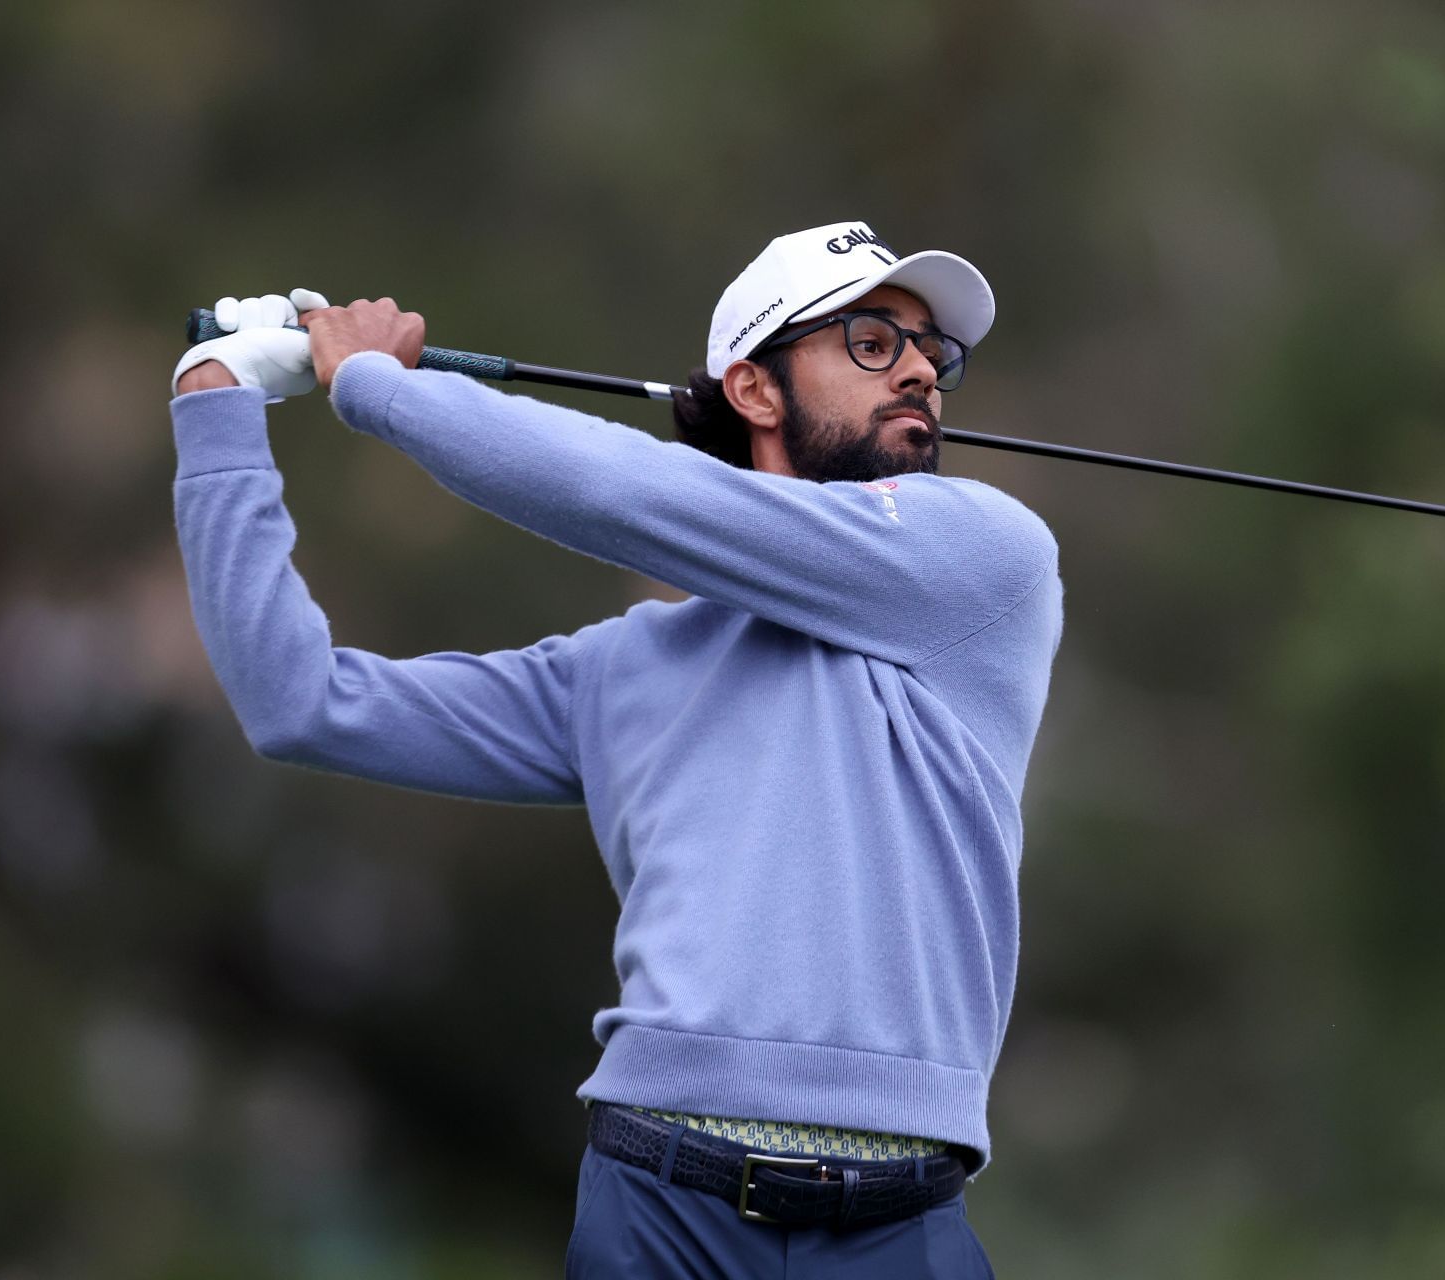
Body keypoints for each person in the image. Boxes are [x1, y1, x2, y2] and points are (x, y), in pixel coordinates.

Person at [168, 221, 1062, 1278]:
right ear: (756, 389)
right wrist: (215, 406)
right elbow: (299, 702)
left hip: (901, 1229)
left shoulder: (986, 565)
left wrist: (379, 385)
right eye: (872, 340)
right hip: (660, 1209)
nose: (920, 368)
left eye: (932, 354)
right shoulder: (620, 670)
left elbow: (628, 495)